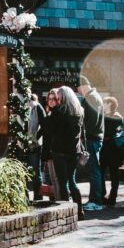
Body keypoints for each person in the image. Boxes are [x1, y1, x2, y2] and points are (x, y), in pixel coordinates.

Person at [50, 86, 85, 220]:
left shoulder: (58, 110)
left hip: (60, 151)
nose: (57, 99)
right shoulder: (79, 111)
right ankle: (80, 210)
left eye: (58, 97)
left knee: (63, 183)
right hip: (74, 151)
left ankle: (67, 214)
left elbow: (51, 130)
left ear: (63, 97)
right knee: (72, 181)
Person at [77, 76, 104, 212]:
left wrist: (84, 135)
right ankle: (95, 199)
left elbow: (91, 122)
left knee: (94, 172)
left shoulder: (91, 98)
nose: (78, 91)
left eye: (78, 88)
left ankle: (96, 201)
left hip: (92, 139)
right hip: (95, 139)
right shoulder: (94, 96)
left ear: (82, 86)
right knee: (95, 171)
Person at [100, 96, 124, 206]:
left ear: (109, 104)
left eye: (104, 103)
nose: (102, 104)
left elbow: (118, 133)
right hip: (103, 150)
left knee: (114, 174)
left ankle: (113, 196)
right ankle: (102, 194)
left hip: (114, 150)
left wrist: (106, 136)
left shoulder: (117, 117)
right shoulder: (103, 116)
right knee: (101, 173)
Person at [41, 89, 62, 201]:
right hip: (49, 149)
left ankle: (60, 203)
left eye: (54, 99)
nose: (51, 101)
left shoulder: (57, 113)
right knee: (53, 179)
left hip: (54, 149)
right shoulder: (50, 112)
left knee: (56, 178)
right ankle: (57, 201)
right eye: (49, 99)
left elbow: (51, 131)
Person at [26, 94, 46, 202]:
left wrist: (35, 137)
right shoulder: (20, 108)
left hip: (35, 145)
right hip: (23, 144)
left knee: (35, 171)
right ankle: (26, 197)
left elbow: (44, 126)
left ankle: (38, 196)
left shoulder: (37, 107)